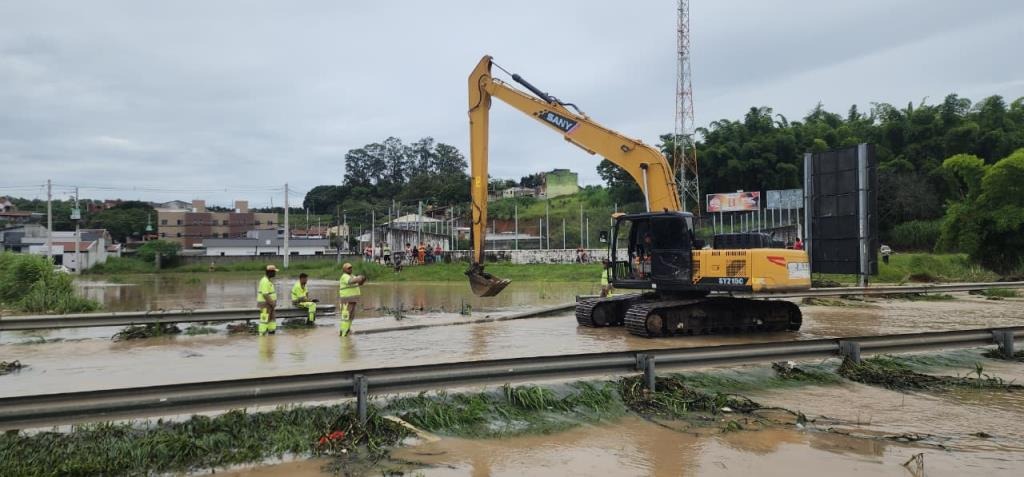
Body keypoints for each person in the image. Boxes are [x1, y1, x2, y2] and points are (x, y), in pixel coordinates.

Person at [338, 262, 365, 337]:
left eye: (351, 268)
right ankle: (343, 333)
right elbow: (351, 281)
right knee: (346, 317)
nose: (350, 269)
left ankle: (347, 331)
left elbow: (359, 283)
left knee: (351, 317)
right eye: (348, 268)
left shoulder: (352, 276)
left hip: (353, 300)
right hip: (346, 300)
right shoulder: (344, 276)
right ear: (344, 269)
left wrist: (362, 279)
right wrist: (359, 278)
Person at [256, 265, 278, 335]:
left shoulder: (268, 280)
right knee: (264, 320)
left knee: (271, 320)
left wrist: (272, 303)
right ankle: (262, 336)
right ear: (270, 272)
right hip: (265, 304)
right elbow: (265, 294)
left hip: (269, 304)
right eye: (274, 272)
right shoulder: (265, 281)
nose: (275, 273)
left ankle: (271, 334)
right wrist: (272, 303)